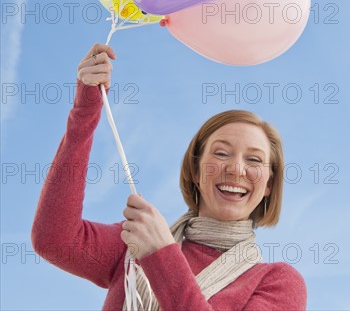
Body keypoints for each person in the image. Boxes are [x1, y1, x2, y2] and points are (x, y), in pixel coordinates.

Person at [31, 43, 307, 310]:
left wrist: (161, 254)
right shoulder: (135, 242)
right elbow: (53, 239)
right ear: (196, 171)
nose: (236, 169)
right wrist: (85, 112)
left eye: (254, 159)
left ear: (269, 184)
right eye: (221, 153)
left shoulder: (278, 282)